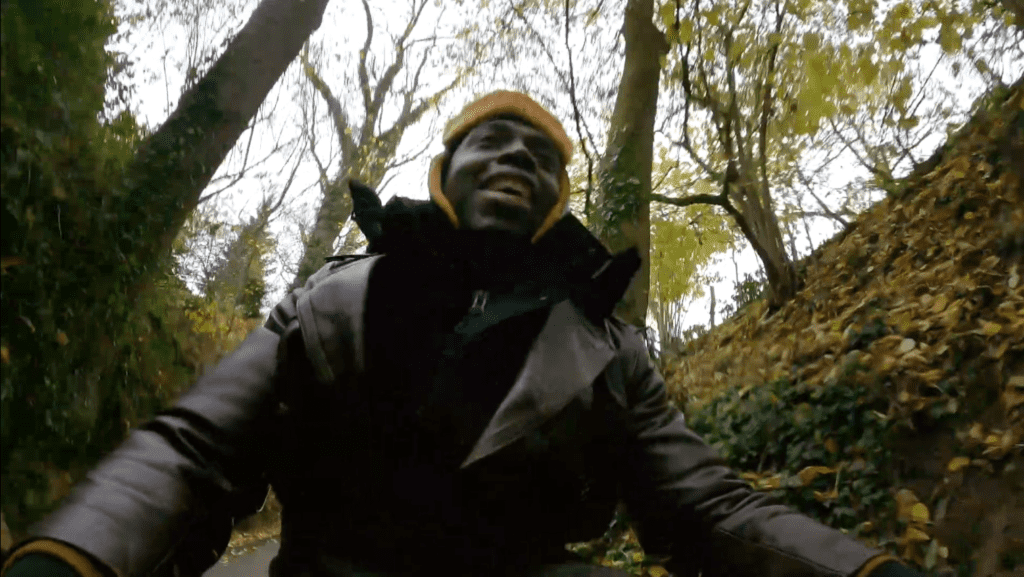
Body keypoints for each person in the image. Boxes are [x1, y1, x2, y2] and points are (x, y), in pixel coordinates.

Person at [1, 91, 922, 577]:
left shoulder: (610, 347)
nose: (518, 154)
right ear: (446, 172)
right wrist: (73, 554)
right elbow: (193, 449)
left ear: (557, 196)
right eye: (492, 141)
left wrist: (861, 568)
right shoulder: (329, 300)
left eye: (542, 154)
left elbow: (707, 507)